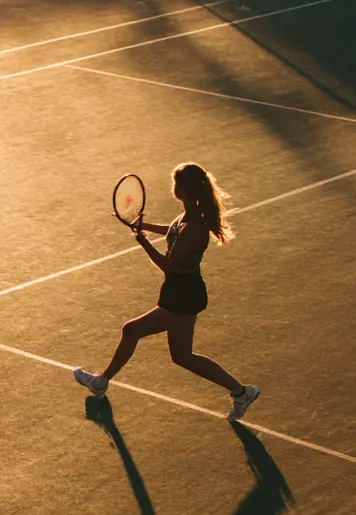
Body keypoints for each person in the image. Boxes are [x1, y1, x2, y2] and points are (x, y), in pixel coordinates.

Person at [74, 162, 259, 422]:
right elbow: (172, 231)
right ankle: (241, 392)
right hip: (179, 292)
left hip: (183, 295)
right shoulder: (186, 217)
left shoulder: (195, 226)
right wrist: (144, 226)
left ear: (184, 188)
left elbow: (169, 266)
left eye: (176, 182)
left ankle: (101, 382)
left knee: (134, 330)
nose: (172, 186)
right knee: (182, 357)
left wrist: (142, 241)